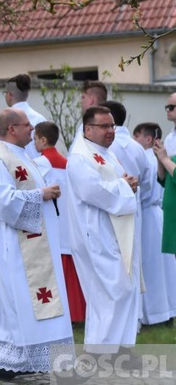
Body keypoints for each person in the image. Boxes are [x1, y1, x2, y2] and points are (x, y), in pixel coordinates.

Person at [0, 108, 72, 379]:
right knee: (16, 307)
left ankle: (17, 360)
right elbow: (4, 201)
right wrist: (42, 194)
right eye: (27, 125)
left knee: (28, 307)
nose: (32, 129)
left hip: (35, 246)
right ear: (12, 129)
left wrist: (44, 192)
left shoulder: (23, 156)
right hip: (14, 249)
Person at [66, 106, 139, 349]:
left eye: (112, 126)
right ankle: (103, 351)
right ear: (88, 129)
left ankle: (119, 349)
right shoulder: (80, 156)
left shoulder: (106, 153)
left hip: (110, 232)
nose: (110, 131)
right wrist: (124, 186)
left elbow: (116, 182)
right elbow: (91, 191)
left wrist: (129, 184)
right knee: (109, 294)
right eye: (104, 126)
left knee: (121, 291)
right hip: (94, 234)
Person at [32, 121, 86, 324]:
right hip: (68, 221)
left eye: (35, 138)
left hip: (50, 220)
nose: (34, 142)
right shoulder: (67, 162)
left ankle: (59, 313)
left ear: (43, 140)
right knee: (70, 269)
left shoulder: (40, 163)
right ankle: (77, 313)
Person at [135, 123, 176, 324]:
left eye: (138, 137)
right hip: (156, 213)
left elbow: (148, 187)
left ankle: (155, 312)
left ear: (148, 138)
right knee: (161, 267)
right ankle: (164, 309)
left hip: (149, 213)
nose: (135, 142)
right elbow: (161, 179)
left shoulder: (147, 159)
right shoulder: (153, 159)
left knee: (152, 266)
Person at [0, 73, 46, 161]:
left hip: (12, 173)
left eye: (5, 93)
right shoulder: (41, 120)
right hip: (38, 172)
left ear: (9, 95)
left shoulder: (2, 122)